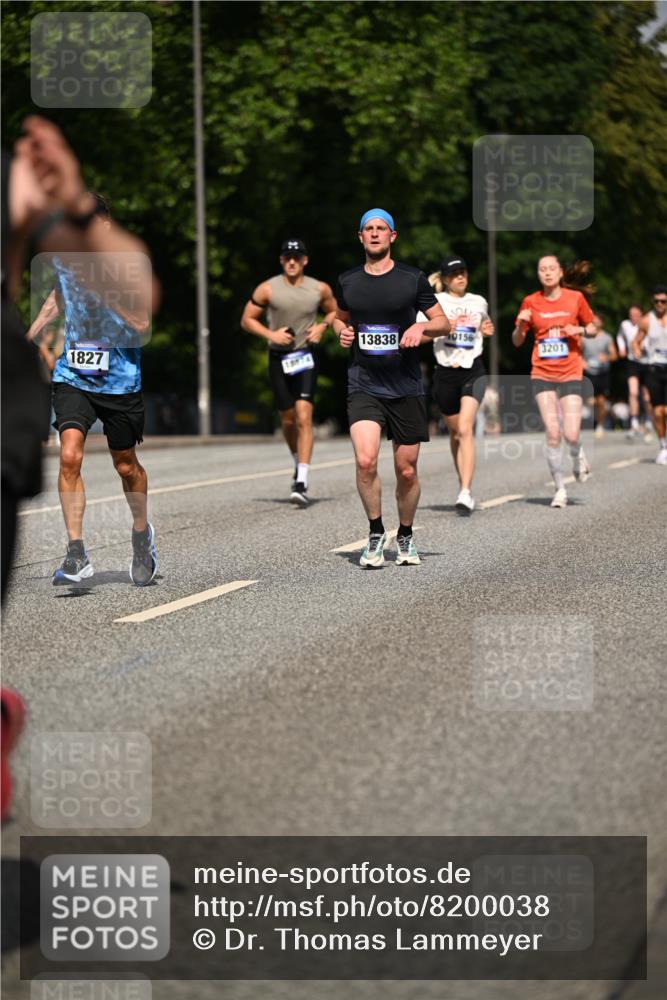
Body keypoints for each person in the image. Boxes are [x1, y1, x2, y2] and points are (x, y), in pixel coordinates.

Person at [26, 194, 157, 586]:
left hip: (120, 381)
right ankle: (76, 555)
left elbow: (140, 320)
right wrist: (25, 337)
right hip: (74, 373)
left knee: (125, 465)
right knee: (69, 455)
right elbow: (58, 298)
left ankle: (140, 535)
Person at [332, 209, 448, 566]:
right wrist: (342, 332)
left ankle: (406, 535)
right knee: (366, 461)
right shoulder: (348, 281)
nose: (375, 234)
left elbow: (444, 323)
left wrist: (421, 329)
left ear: (393, 236)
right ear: (360, 237)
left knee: (407, 469)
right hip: (363, 383)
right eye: (369, 229)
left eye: (381, 228)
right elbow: (338, 318)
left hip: (406, 385)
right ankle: (375, 532)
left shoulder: (412, 279)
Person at [241, 239, 337, 505]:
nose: (292, 261)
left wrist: (321, 327)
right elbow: (246, 319)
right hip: (278, 357)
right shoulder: (268, 288)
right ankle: (298, 460)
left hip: (305, 356)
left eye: (297, 257)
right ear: (281, 260)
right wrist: (270, 334)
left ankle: (302, 479)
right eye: (287, 257)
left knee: (305, 415)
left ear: (305, 260)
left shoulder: (319, 288)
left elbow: (335, 312)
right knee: (287, 419)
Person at [512, 256, 596, 508]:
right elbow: (517, 341)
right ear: (538, 274)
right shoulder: (530, 301)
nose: (547, 273)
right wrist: (522, 324)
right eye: (542, 269)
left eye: (551, 269)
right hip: (542, 372)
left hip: (570, 371)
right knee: (552, 432)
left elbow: (592, 329)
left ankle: (577, 452)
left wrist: (578, 330)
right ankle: (560, 489)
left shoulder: (575, 299)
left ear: (560, 273)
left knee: (570, 433)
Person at [419, 255, 494, 514]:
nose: (460, 276)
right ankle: (462, 481)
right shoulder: (435, 302)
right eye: (454, 273)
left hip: (473, 370)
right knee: (455, 433)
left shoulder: (479, 301)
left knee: (465, 428)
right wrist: (440, 329)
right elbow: (420, 336)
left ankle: (465, 491)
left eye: (463, 271)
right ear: (445, 279)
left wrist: (486, 329)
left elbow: (484, 326)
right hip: (445, 374)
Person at [633, 285, 667, 464]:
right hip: (653, 368)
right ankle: (663, 446)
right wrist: (637, 350)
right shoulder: (646, 320)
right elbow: (636, 341)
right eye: (656, 301)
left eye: (663, 301)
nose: (660, 304)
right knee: (658, 411)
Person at [616, 304, 653, 441]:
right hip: (633, 362)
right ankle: (634, 422)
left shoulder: (647, 323)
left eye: (636, 315)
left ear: (641, 315)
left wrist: (644, 347)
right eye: (631, 315)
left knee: (647, 396)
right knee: (633, 392)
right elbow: (620, 337)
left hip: (648, 362)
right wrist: (622, 348)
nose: (634, 318)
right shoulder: (625, 325)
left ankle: (649, 421)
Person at [582, 310, 617, 439]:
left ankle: (600, 425)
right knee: (590, 401)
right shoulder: (583, 336)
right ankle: (590, 420)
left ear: (602, 323)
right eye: (592, 321)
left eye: (597, 321)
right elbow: (576, 352)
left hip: (603, 372)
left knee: (601, 401)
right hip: (589, 372)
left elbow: (615, 355)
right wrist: (581, 361)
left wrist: (607, 357)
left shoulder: (607, 337)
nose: (595, 323)